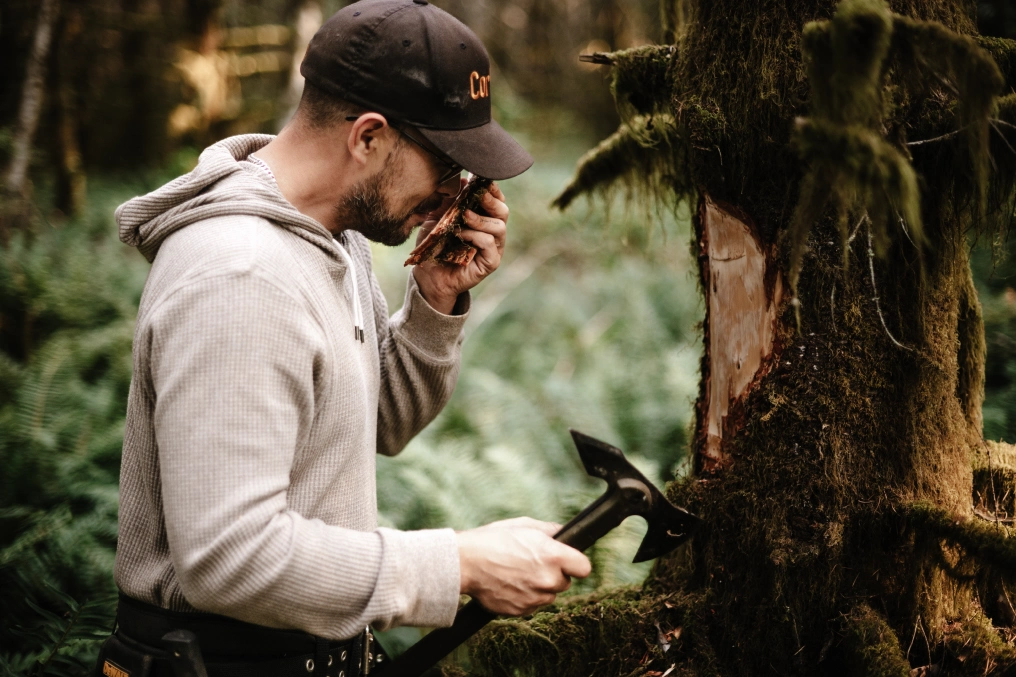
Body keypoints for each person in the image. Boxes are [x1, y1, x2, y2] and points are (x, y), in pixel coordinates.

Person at [101, 1, 590, 676]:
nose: (458, 192)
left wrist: (434, 300)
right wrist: (459, 563)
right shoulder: (240, 275)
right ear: (367, 138)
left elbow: (375, 423)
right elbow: (227, 557)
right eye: (447, 163)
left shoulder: (336, 237)